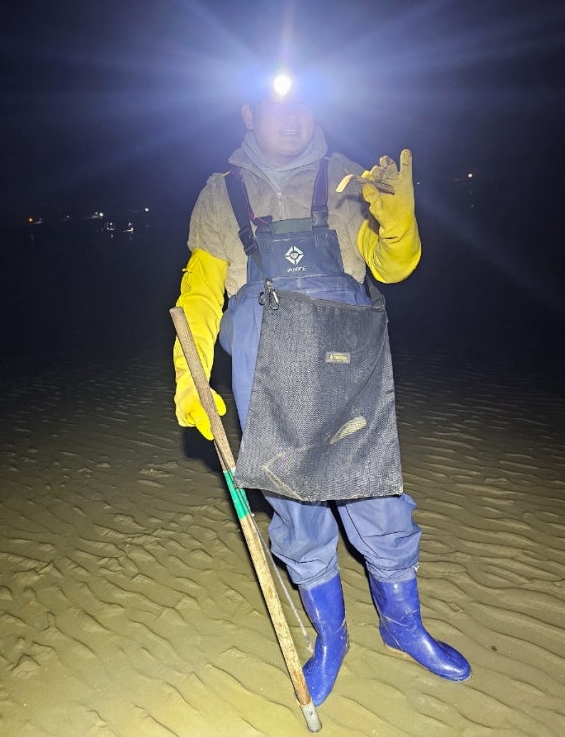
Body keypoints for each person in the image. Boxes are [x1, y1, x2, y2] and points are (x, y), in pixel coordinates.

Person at [173, 73, 471, 705]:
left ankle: (403, 627)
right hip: (268, 381)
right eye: (278, 106)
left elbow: (391, 267)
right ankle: (331, 639)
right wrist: (190, 379)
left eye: (304, 105)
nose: (293, 117)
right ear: (249, 114)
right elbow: (199, 295)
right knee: (297, 512)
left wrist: (397, 229)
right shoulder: (220, 194)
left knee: (378, 499)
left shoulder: (349, 178)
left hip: (348, 369)